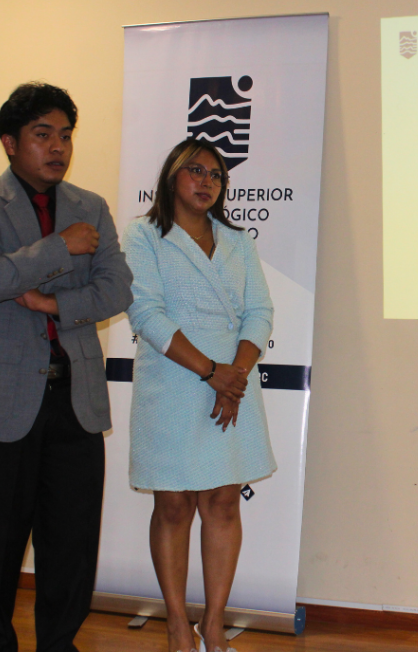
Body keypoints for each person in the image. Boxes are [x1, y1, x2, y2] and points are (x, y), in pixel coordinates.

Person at [0, 81, 133, 652]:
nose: (58, 147)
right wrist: (61, 247)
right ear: (10, 142)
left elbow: (117, 289)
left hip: (75, 397)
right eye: (43, 134)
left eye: (66, 135)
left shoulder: (90, 206)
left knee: (72, 541)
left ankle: (59, 644)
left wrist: (53, 304)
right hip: (0, 396)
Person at [121, 138, 275, 652]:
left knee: (224, 501)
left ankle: (213, 623)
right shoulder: (144, 235)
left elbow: (260, 312)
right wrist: (211, 372)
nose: (207, 181)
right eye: (196, 171)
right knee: (173, 504)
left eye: (216, 175)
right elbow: (145, 313)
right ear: (172, 177)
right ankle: (174, 624)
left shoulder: (237, 241)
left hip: (232, 383)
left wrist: (234, 376)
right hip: (174, 380)